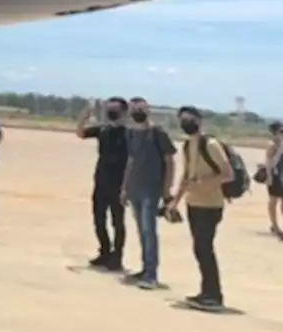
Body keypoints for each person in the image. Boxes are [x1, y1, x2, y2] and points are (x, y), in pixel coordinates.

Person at [168, 106, 231, 311]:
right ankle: (207, 292)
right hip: (193, 204)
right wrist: (174, 202)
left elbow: (227, 174)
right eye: (182, 120)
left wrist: (204, 183)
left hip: (211, 205)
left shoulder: (210, 144)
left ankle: (214, 295)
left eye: (189, 119)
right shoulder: (187, 145)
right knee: (200, 249)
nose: (185, 123)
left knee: (204, 248)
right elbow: (186, 176)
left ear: (199, 121)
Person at [119, 96, 176, 289]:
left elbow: (170, 161)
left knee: (149, 230)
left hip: (152, 189)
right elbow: (131, 160)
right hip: (135, 188)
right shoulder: (131, 133)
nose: (137, 112)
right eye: (134, 109)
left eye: (140, 109)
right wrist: (125, 188)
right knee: (142, 231)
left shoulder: (158, 133)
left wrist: (167, 190)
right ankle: (145, 268)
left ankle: (151, 274)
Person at [75, 97, 129, 270]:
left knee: (117, 222)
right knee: (99, 219)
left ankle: (117, 256)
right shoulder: (102, 130)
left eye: (115, 109)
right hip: (101, 180)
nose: (111, 113)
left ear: (124, 112)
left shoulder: (129, 134)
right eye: (109, 109)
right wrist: (85, 114)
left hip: (119, 183)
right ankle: (104, 251)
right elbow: (80, 133)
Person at [263, 121, 282, 239]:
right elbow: (269, 162)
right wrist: (269, 177)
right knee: (273, 201)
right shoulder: (272, 145)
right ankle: (275, 225)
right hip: (275, 176)